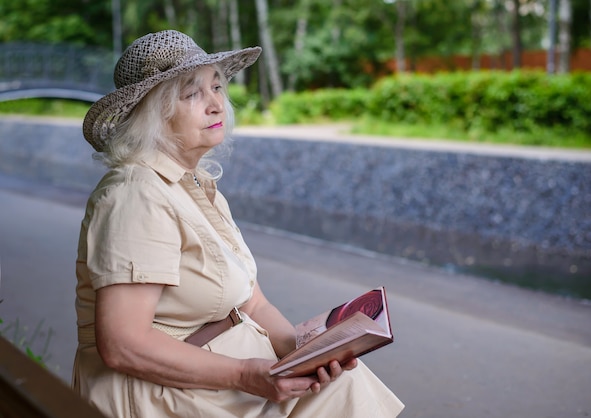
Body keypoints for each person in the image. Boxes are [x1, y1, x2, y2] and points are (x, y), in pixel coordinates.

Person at [72, 29, 404, 418]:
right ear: (153, 115)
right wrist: (247, 375)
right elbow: (123, 344)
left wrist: (306, 353)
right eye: (193, 93)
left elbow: (254, 302)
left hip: (222, 385)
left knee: (344, 380)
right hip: (163, 398)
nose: (216, 105)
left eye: (217, 87)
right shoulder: (135, 194)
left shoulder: (195, 184)